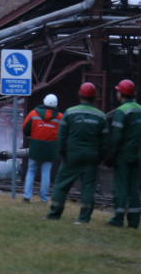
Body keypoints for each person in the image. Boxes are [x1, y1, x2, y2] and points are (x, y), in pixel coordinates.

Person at [47, 83, 109, 223]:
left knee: (61, 186)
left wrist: (61, 154)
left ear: (79, 95)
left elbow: (61, 136)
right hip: (91, 157)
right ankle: (84, 218)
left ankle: (55, 214)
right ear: (94, 97)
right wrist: (101, 157)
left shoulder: (70, 113)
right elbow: (105, 141)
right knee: (88, 189)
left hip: (71, 157)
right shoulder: (101, 116)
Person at [107, 79, 141, 228]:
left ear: (121, 93)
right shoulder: (140, 109)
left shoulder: (121, 111)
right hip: (136, 153)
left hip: (123, 154)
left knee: (120, 187)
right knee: (133, 188)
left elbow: (116, 136)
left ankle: (118, 219)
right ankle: (134, 221)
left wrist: (111, 155)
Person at [22, 94, 63, 203]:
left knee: (31, 171)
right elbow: (63, 133)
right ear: (56, 105)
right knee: (46, 173)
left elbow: (25, 127)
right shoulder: (60, 117)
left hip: (35, 147)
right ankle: (44, 199)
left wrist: (30, 136)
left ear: (43, 102)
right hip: (50, 149)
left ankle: (27, 197)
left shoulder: (33, 113)